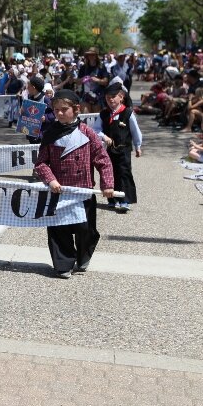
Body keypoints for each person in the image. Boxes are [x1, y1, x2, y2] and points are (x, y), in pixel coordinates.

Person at [34, 89, 114, 278]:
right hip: (59, 191)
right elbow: (41, 163)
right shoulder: (50, 133)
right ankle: (63, 264)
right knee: (58, 229)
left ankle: (83, 254)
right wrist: (50, 179)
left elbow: (103, 160)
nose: (59, 113)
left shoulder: (88, 133)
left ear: (76, 110)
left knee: (86, 230)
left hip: (83, 191)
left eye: (64, 109)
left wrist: (107, 184)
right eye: (56, 110)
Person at [93, 82, 142, 212]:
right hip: (109, 150)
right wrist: (104, 137)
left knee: (124, 173)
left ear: (121, 97)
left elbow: (135, 131)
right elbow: (96, 130)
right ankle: (112, 199)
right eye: (108, 97)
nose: (111, 99)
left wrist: (138, 146)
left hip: (124, 149)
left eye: (114, 96)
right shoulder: (103, 114)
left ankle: (125, 200)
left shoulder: (127, 113)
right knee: (110, 173)